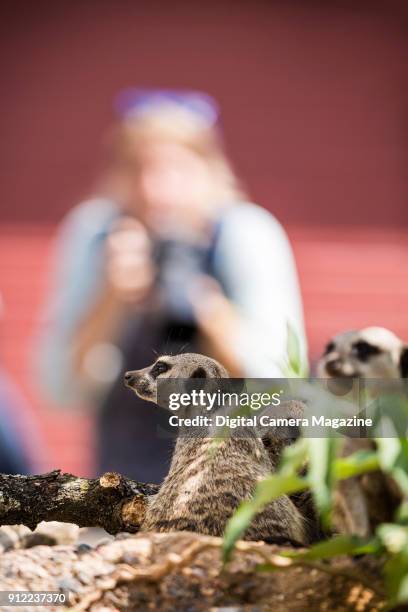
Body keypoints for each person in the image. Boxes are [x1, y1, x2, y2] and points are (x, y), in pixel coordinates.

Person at [36, 89, 307, 482]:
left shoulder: (245, 234)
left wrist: (206, 307)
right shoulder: (95, 234)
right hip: (121, 488)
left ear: (210, 171)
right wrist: (110, 298)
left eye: (174, 170)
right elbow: (59, 391)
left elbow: (281, 387)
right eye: (137, 170)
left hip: (236, 483)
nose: (154, 190)